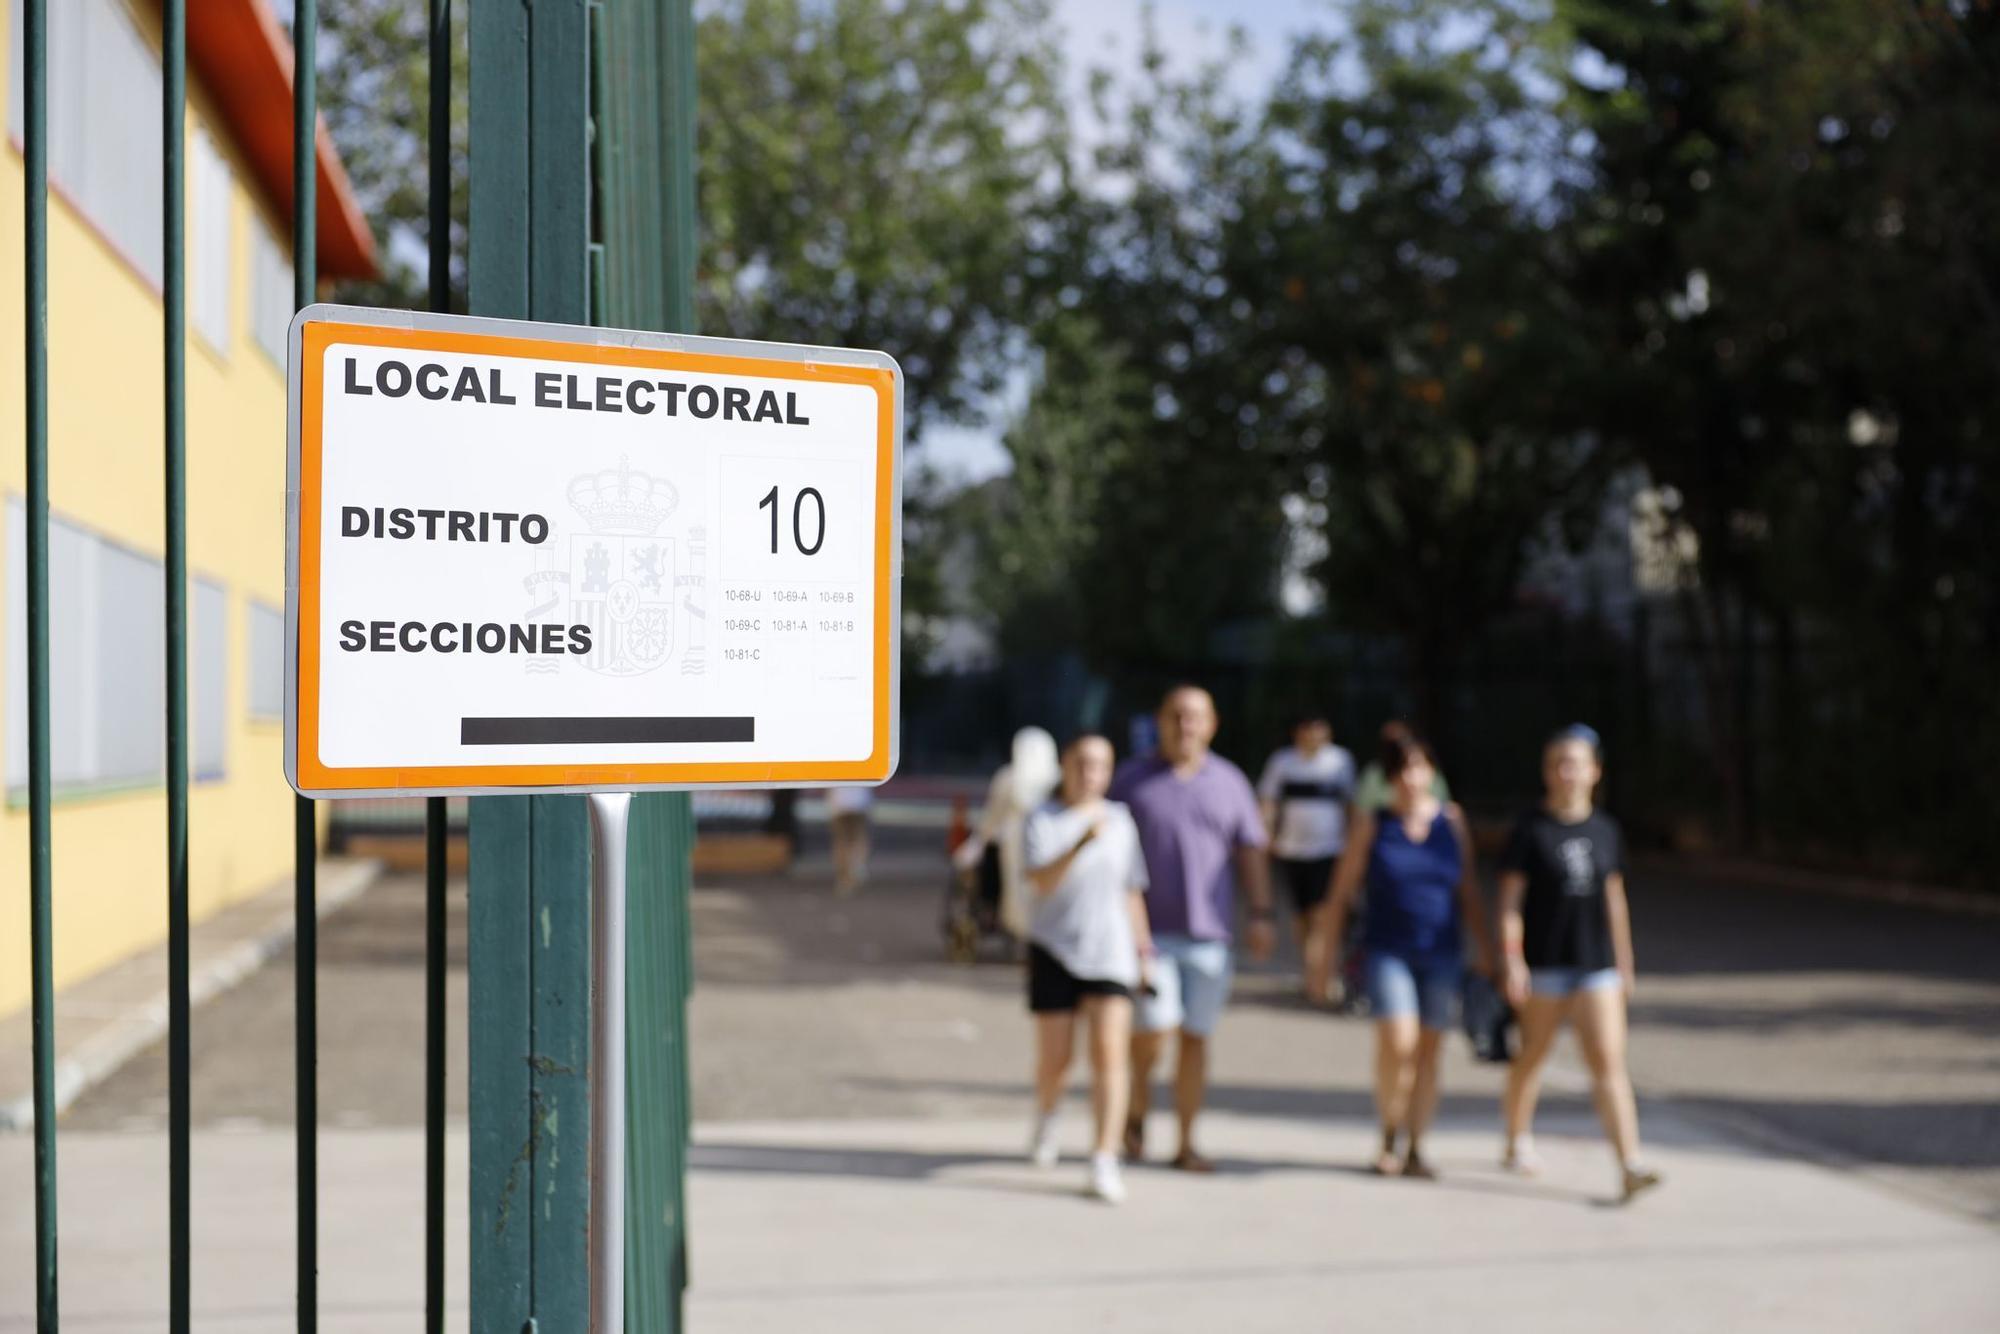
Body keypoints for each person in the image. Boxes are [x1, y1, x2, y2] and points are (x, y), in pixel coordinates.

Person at [1310, 727, 1494, 1178]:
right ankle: (1389, 1128)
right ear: (1389, 779)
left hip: (1441, 951)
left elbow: (1467, 889)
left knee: (1429, 1052)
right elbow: (1340, 894)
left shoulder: (1451, 822)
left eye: (1419, 768)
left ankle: (1416, 1143)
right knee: (1399, 1042)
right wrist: (1322, 958)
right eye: (1402, 771)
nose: (1411, 779)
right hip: (1387, 949)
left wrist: (1488, 950)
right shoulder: (1374, 824)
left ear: (1432, 772)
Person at [1111, 685, 1275, 1171]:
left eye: (1195, 717)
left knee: (1195, 1039)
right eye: (1176, 716)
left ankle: (1186, 1140)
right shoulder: (1132, 780)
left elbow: (1251, 851)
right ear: (1159, 721)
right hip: (1147, 936)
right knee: (1152, 1034)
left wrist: (1262, 913)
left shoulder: (1229, 782)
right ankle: (1136, 1107)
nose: (1185, 726)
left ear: (1212, 724)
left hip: (1210, 935)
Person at [1497, 725, 1662, 1203]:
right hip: (1545, 964)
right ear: (1547, 773)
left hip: (1596, 965)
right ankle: (1516, 1137)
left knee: (1608, 1061)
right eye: (1557, 764)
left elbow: (1615, 898)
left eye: (1575, 763)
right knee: (1532, 1056)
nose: (1566, 773)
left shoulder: (1606, 830)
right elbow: (1509, 902)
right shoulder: (1530, 830)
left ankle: (1629, 1162)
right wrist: (1513, 961)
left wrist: (1625, 961)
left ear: (1594, 771)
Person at [1022, 735, 1154, 1204]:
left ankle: (1104, 1158)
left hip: (1110, 953)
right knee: (1057, 1060)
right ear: (1066, 765)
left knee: (1109, 1055)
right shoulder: (1042, 818)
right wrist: (1079, 841)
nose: (1090, 774)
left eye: (1100, 765)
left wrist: (1144, 952)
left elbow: (1131, 889)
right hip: (1054, 948)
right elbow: (1040, 880)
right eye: (1082, 764)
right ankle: (1047, 1115)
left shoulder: (1120, 820)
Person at [1256, 714, 1357, 996]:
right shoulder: (1283, 761)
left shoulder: (1340, 762)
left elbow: (1350, 804)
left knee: (1322, 913)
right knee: (1301, 915)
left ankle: (1318, 978)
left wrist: (1352, 845)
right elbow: (1268, 800)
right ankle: (1309, 969)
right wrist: (1266, 834)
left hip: (1329, 849)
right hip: (1292, 849)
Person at [952, 727, 1061, 943]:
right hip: (1024, 846)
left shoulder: (1012, 777)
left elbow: (991, 819)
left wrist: (978, 842)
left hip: (1023, 844)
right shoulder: (1054, 776)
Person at [826, 784, 874, 896]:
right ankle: (857, 869)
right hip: (860, 802)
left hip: (838, 803)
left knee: (841, 841)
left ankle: (844, 877)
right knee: (858, 838)